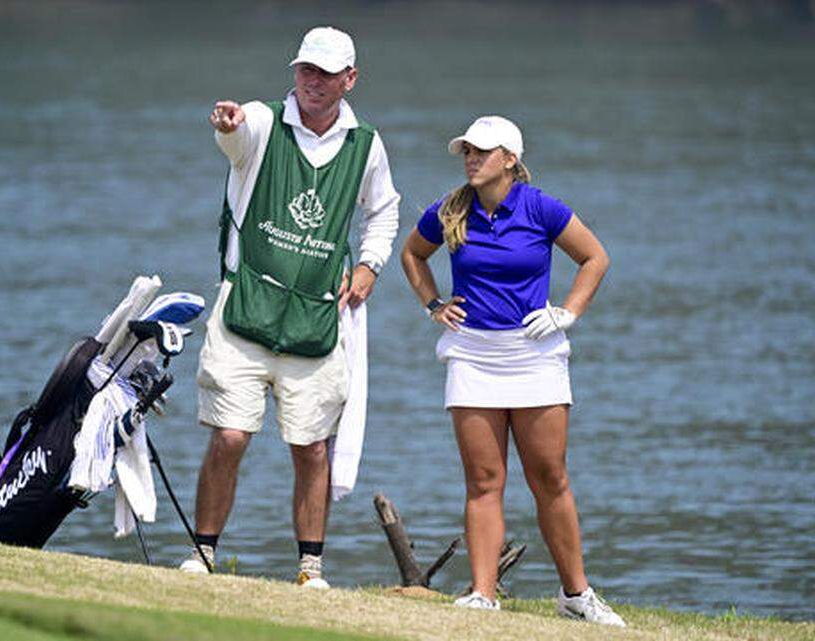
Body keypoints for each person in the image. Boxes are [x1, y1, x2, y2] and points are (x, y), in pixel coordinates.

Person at [180, 26, 400, 589]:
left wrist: (371, 265)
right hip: (245, 309)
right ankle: (203, 555)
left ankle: (310, 568)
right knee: (229, 436)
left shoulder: (365, 145)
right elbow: (237, 136)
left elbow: (384, 211)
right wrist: (228, 126)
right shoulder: (262, 120)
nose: (313, 83)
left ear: (350, 79)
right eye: (306, 70)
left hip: (315, 319)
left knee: (311, 449)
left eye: (327, 74)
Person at [400, 116, 624, 625]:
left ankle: (576, 594)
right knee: (483, 479)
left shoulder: (540, 206)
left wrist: (566, 312)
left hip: (534, 353)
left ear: (509, 159)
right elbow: (412, 254)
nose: (470, 159)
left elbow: (595, 258)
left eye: (481, 151)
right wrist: (433, 304)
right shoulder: (450, 209)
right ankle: (483, 594)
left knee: (550, 476)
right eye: (466, 152)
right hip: (472, 353)